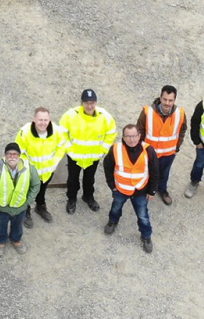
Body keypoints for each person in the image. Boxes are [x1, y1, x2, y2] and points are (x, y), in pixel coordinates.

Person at [59, 89, 117, 214]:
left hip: (93, 156)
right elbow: (62, 132)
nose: (89, 106)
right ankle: (72, 199)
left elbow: (111, 133)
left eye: (92, 102)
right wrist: (69, 149)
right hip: (75, 156)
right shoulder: (70, 115)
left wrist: (103, 150)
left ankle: (88, 197)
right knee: (73, 179)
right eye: (86, 103)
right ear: (82, 103)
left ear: (96, 102)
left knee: (89, 179)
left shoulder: (105, 116)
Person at [102, 125, 158, 253]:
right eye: (128, 136)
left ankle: (146, 236)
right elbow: (107, 167)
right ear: (123, 137)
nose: (131, 139)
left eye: (134, 136)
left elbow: (155, 172)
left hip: (141, 191)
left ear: (139, 136)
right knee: (116, 207)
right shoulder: (116, 149)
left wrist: (151, 191)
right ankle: (112, 221)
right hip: (120, 190)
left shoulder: (148, 150)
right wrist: (112, 186)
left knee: (143, 215)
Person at [14, 107, 71, 227]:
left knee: (42, 190)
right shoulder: (24, 133)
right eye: (40, 120)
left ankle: (40, 206)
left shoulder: (56, 131)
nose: (43, 123)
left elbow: (62, 146)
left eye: (46, 120)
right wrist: (27, 167)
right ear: (34, 119)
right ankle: (26, 210)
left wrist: (55, 160)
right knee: (28, 192)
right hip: (30, 173)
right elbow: (18, 153)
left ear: (49, 120)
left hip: (47, 172)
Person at [0, 143, 40, 256]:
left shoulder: (29, 169)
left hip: (20, 207)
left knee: (17, 225)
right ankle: (0, 242)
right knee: (0, 225)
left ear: (19, 156)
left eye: (15, 154)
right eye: (9, 154)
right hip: (1, 208)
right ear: (5, 155)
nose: (12, 156)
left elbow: (36, 185)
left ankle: (16, 240)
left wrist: (27, 202)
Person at [136, 85, 187, 205]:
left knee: (164, 173)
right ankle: (145, 191)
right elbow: (140, 131)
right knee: (147, 172)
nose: (167, 103)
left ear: (174, 100)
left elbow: (183, 130)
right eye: (165, 99)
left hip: (168, 153)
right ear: (160, 98)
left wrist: (176, 147)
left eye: (170, 100)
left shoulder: (180, 113)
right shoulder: (147, 112)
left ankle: (162, 190)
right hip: (150, 153)